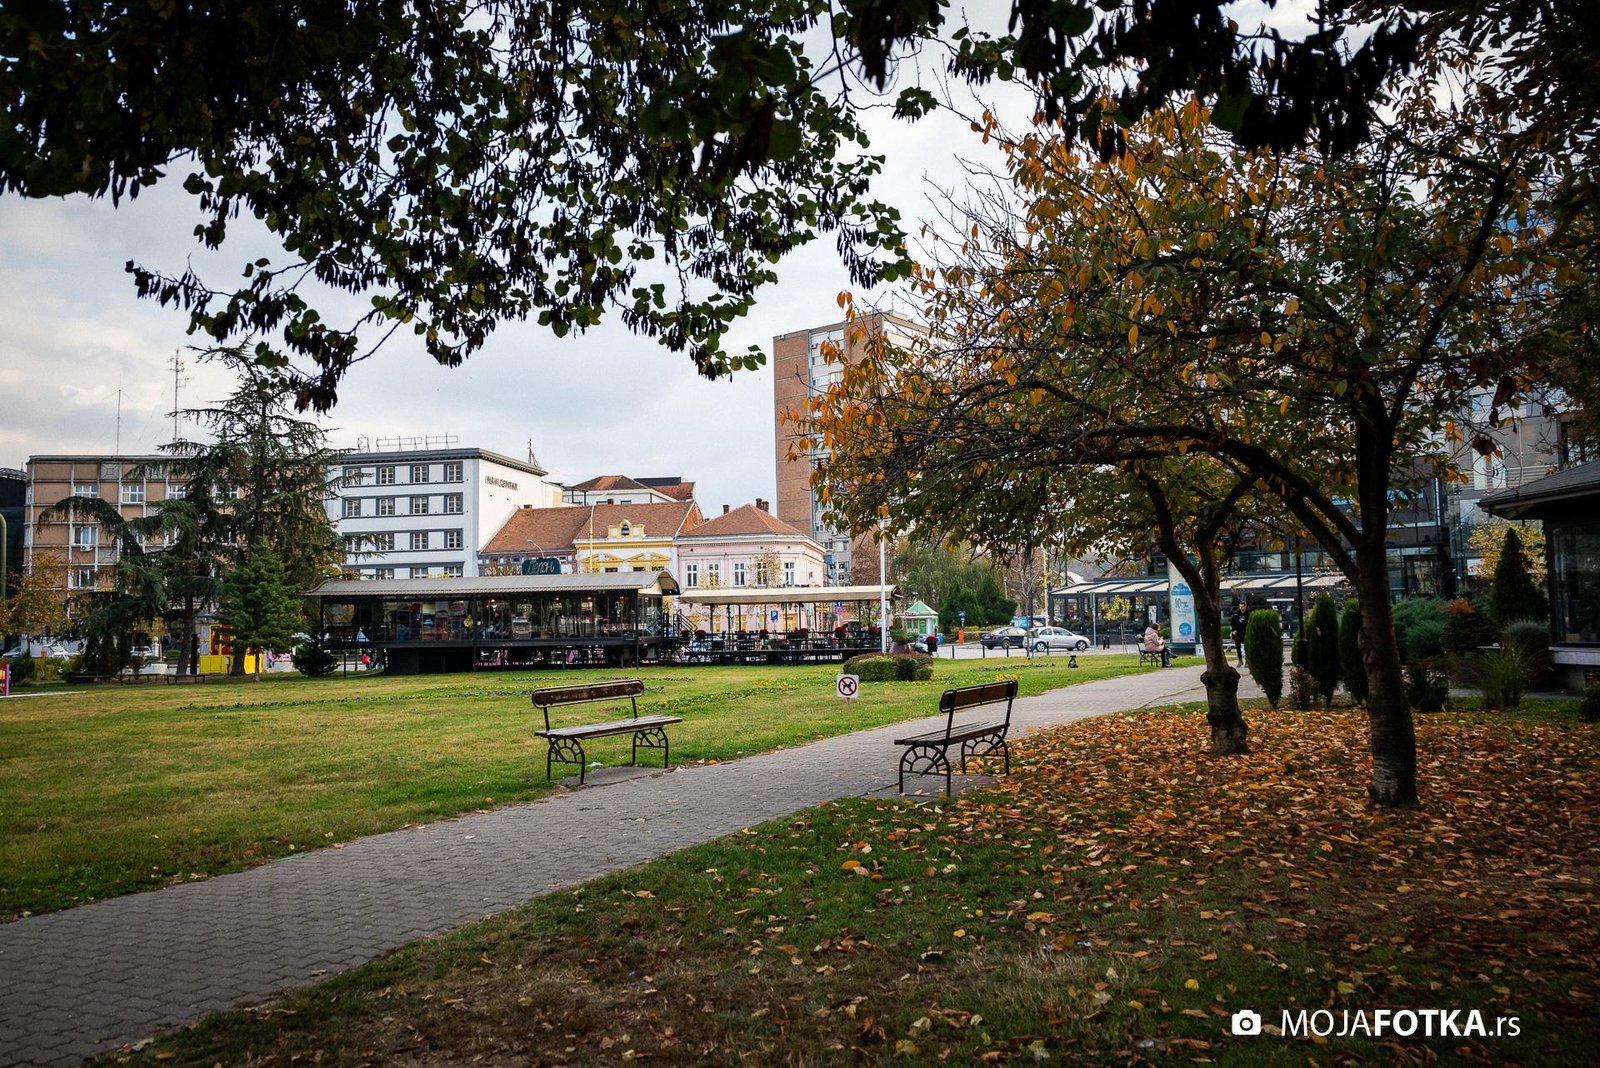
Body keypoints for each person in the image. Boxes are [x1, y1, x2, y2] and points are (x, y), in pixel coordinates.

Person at [1232, 600, 1249, 666]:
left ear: (1245, 606)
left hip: (1246, 632)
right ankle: (1240, 660)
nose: (1241, 608)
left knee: (1246, 647)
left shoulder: (1248, 614)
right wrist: (1233, 630)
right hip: (1238, 632)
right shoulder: (1236, 613)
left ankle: (1247, 661)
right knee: (1237, 646)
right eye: (1240, 606)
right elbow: (1233, 622)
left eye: (1242, 606)